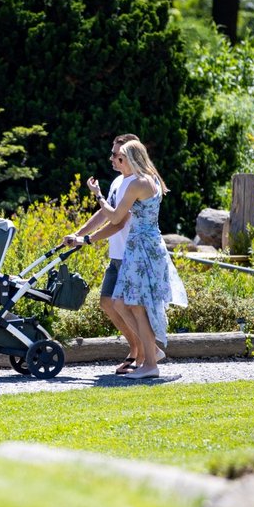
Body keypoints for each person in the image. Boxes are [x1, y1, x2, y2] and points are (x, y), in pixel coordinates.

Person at [83, 140, 187, 379]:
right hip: (141, 246)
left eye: (120, 158)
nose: (117, 162)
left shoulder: (138, 183)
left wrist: (98, 195)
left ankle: (151, 364)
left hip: (142, 248)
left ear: (131, 159)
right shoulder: (150, 179)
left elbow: (116, 217)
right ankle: (153, 354)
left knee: (137, 307)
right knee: (121, 303)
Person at [62, 134, 153, 375]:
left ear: (129, 157)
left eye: (116, 155)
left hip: (130, 255)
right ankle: (136, 349)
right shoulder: (117, 182)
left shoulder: (138, 183)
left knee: (127, 306)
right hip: (117, 254)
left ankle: (144, 356)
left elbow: (118, 222)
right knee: (107, 303)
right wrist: (77, 234)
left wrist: (87, 240)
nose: (111, 158)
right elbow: (104, 214)